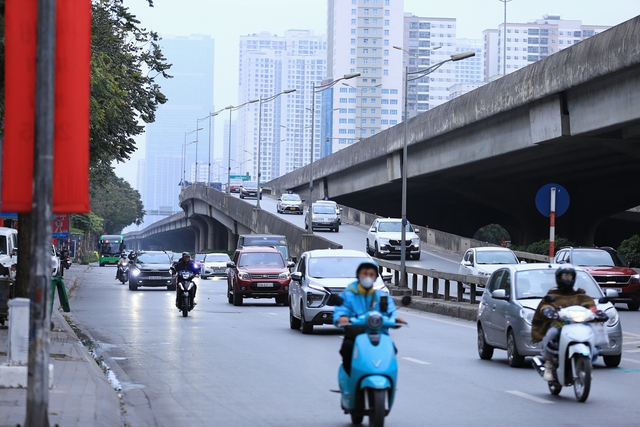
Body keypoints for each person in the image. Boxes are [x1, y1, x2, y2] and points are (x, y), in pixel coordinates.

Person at [333, 261, 406, 375]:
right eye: (365, 273)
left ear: (375, 277)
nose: (368, 277)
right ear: (358, 275)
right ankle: (351, 381)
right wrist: (342, 317)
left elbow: (391, 313)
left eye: (371, 274)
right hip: (355, 335)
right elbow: (340, 311)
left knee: (392, 350)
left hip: (379, 335)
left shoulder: (382, 297)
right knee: (347, 348)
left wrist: (395, 320)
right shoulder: (348, 295)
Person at [531, 266, 596, 382]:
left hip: (580, 325)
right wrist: (548, 311)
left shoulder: (581, 295)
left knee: (593, 336)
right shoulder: (553, 295)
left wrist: (597, 312)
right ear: (559, 278)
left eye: (569, 276)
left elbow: (590, 306)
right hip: (559, 325)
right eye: (564, 276)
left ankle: (588, 364)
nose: (567, 278)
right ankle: (548, 365)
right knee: (550, 336)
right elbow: (545, 305)